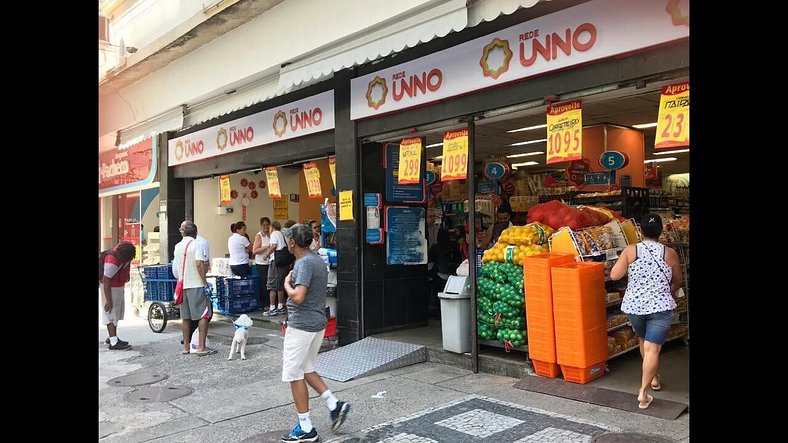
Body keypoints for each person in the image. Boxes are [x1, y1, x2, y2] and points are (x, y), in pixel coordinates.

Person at [280, 224, 351, 442]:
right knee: (306, 368)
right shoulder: (317, 261)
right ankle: (333, 403)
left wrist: (286, 285)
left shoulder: (303, 264)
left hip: (302, 325)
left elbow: (299, 296)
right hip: (317, 323)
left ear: (293, 242)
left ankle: (306, 428)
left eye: (288, 239)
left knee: (294, 375)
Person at [610, 213, 683, 410]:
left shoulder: (630, 250)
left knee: (644, 341)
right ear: (660, 232)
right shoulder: (670, 253)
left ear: (640, 231)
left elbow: (615, 275)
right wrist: (672, 291)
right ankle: (643, 392)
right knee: (653, 349)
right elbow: (678, 280)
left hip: (635, 307)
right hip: (660, 306)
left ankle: (654, 379)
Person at [172, 222, 216, 356]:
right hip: (196, 285)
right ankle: (201, 347)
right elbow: (199, 264)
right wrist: (205, 283)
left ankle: (185, 347)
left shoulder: (177, 246)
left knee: (186, 317)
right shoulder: (197, 244)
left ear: (184, 233)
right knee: (203, 315)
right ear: (195, 233)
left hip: (183, 285)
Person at [101, 241, 137, 350]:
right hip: (110, 288)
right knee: (110, 313)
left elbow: (127, 264)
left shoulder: (124, 253)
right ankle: (113, 342)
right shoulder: (111, 262)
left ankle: (113, 337)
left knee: (116, 313)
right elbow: (106, 281)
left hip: (118, 286)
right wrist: (108, 300)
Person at [263, 220, 288, 316]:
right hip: (282, 262)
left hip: (275, 261)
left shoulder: (274, 234)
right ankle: (281, 306)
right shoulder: (281, 234)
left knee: (272, 285)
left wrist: (266, 255)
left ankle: (272, 307)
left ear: (272, 227)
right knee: (280, 285)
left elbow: (274, 246)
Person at [252, 217, 273, 308]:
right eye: (263, 225)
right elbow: (254, 250)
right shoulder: (259, 235)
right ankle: (265, 303)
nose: (265, 227)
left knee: (270, 282)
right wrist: (266, 247)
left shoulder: (272, 234)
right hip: (261, 263)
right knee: (264, 282)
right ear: (261, 226)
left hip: (270, 262)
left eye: (267, 225)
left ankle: (271, 302)